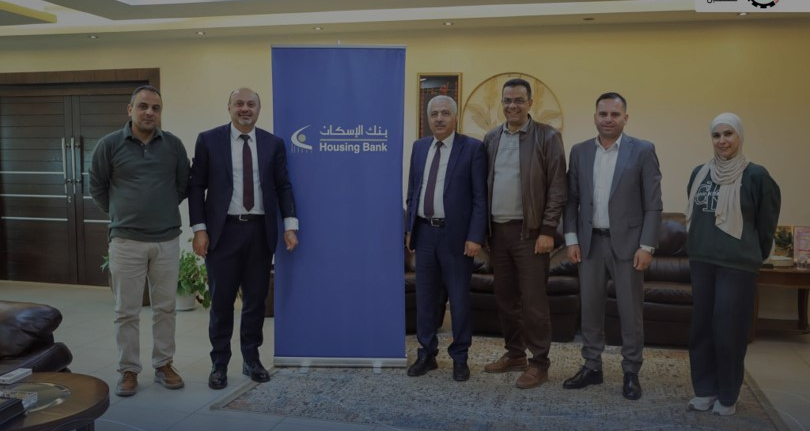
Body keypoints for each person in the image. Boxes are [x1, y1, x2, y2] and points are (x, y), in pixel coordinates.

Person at [188, 88, 298, 390]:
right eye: (239, 103)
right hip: (223, 233)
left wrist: (290, 225)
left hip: (260, 232)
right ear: (229, 107)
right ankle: (219, 364)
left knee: (255, 301)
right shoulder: (208, 140)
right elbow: (196, 186)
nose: (245, 109)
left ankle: (251, 359)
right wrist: (199, 229)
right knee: (221, 302)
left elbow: (283, 186)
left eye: (251, 104)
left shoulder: (273, 144)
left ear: (259, 110)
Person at [89, 85, 190, 397]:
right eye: (143, 106)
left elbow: (182, 186)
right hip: (126, 241)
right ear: (130, 109)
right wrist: (122, 212)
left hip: (166, 240)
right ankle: (128, 370)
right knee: (126, 311)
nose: (149, 112)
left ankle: (164, 364)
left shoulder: (173, 145)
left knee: (165, 308)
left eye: (156, 108)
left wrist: (158, 210)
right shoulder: (109, 145)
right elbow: (97, 187)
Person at [562, 92, 662, 400]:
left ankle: (631, 371)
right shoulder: (579, 151)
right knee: (590, 309)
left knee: (630, 313)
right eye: (603, 114)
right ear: (595, 117)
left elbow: (653, 204)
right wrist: (571, 238)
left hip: (629, 246)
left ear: (625, 118)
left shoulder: (642, 150)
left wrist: (647, 246)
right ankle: (592, 366)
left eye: (615, 114)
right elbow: (572, 200)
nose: (608, 119)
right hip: (589, 244)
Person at [685, 113, 780, 416]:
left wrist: (751, 254)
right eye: (716, 135)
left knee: (728, 330)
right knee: (701, 329)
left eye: (728, 134)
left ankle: (727, 394)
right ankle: (705, 390)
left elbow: (767, 224)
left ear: (739, 136)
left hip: (738, 265)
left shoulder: (756, 176)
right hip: (702, 261)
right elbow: (696, 215)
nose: (722, 140)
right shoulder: (700, 173)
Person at [481, 78, 567, 389]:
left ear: (530, 103)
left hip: (530, 234)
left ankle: (539, 363)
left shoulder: (547, 136)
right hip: (498, 233)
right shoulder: (491, 138)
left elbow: (557, 187)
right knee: (505, 299)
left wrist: (547, 230)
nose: (512, 106)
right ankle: (515, 354)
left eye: (518, 100)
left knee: (533, 303)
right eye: (507, 100)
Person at [404, 95, 487, 382]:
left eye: (445, 113)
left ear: (455, 117)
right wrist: (410, 229)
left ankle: (460, 357)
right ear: (428, 119)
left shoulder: (472, 148)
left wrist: (475, 236)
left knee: (459, 300)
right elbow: (413, 191)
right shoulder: (419, 147)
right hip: (425, 233)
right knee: (426, 299)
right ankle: (426, 354)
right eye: (434, 114)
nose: (439, 118)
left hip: (457, 236)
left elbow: (480, 197)